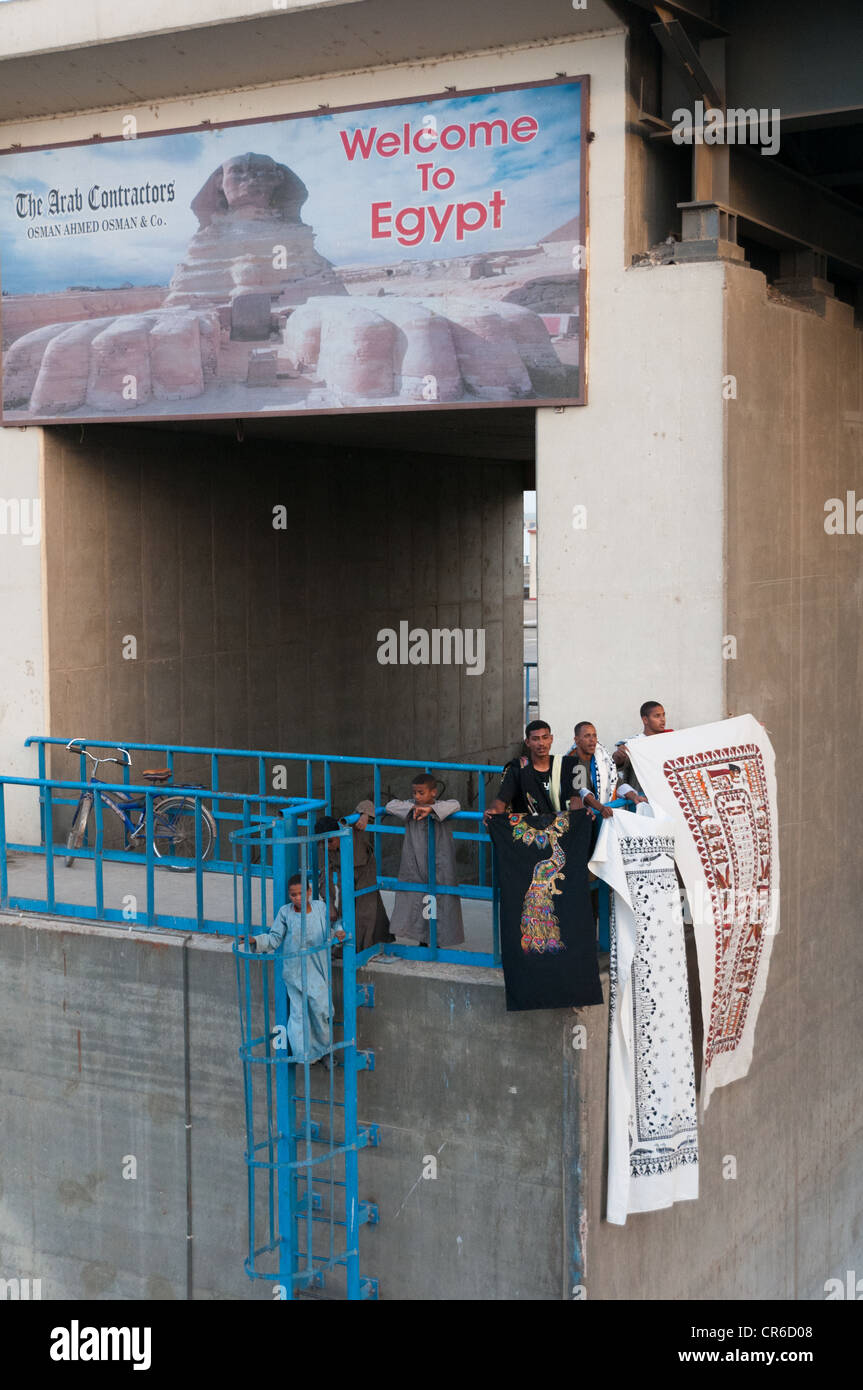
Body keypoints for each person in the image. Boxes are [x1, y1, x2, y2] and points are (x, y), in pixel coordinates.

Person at [248, 873, 345, 1064]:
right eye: (293, 895)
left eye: (301, 893)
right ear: (289, 895)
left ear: (309, 892)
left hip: (317, 968)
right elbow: (274, 938)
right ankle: (305, 1056)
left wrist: (339, 932)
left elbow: (334, 925)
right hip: (294, 972)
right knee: (299, 1015)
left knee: (322, 1011)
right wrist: (256, 941)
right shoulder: (285, 913)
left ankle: (324, 1051)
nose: (298, 898)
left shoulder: (320, 908)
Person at [385, 774, 465, 947]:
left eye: (421, 793)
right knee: (418, 898)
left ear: (433, 792)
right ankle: (423, 939)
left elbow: (456, 804)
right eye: (414, 793)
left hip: (440, 864)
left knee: (441, 899)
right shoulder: (411, 807)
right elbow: (390, 805)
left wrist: (431, 810)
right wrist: (412, 807)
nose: (417, 797)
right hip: (416, 864)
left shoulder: (441, 807)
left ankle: (438, 940)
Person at [314, 800, 391, 951]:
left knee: (366, 910)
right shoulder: (325, 848)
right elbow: (325, 876)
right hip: (344, 873)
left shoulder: (350, 827)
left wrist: (364, 816)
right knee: (345, 909)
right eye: (324, 843)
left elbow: (367, 804)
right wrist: (330, 904)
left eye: (331, 841)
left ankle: (364, 948)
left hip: (366, 870)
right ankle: (348, 947)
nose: (328, 846)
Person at [484, 719, 588, 819]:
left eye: (545, 737)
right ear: (527, 742)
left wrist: (582, 813)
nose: (541, 743)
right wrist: (494, 810)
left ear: (551, 739)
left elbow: (576, 799)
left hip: (560, 827)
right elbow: (502, 798)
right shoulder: (518, 769)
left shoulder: (567, 766)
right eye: (535, 739)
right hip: (528, 828)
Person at [567, 721, 646, 817]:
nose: (592, 740)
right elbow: (583, 792)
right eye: (587, 736)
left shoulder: (603, 759)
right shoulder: (571, 761)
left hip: (603, 812)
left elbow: (617, 783)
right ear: (576, 740)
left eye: (594, 735)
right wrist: (601, 808)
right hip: (585, 816)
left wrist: (635, 797)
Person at [612, 701, 675, 794]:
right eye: (657, 716)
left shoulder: (670, 739)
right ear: (645, 720)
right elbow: (615, 765)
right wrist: (618, 758)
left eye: (663, 715)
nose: (662, 720)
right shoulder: (632, 744)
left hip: (666, 795)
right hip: (641, 798)